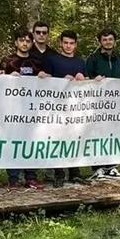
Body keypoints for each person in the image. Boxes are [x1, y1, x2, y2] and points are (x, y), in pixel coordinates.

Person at [0, 30, 49, 189]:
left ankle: (31, 176)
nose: (25, 43)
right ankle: (13, 178)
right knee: (14, 142)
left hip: (33, 112)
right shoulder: (7, 61)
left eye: (28, 41)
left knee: (32, 142)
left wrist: (44, 76)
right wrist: (6, 77)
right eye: (21, 40)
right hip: (12, 111)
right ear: (16, 42)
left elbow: (48, 83)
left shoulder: (37, 61)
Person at [43, 30, 88, 186]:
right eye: (65, 43)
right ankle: (59, 173)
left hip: (76, 108)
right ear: (61, 43)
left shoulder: (80, 62)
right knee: (58, 139)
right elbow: (45, 82)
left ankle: (75, 172)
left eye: (71, 43)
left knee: (75, 138)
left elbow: (88, 85)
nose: (68, 46)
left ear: (75, 45)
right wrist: (61, 80)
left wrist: (84, 80)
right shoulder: (52, 60)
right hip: (57, 107)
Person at [85, 29, 120, 180]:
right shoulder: (93, 58)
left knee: (114, 134)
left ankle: (112, 166)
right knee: (98, 134)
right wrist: (93, 79)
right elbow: (86, 78)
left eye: (110, 39)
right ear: (100, 42)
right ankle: (98, 167)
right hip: (98, 104)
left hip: (116, 104)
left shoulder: (119, 58)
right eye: (105, 40)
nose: (108, 42)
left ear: (114, 41)